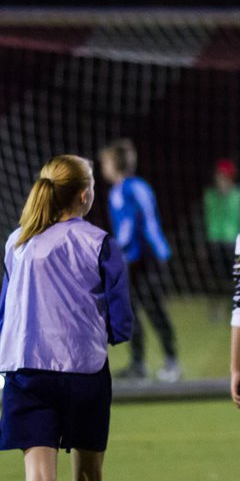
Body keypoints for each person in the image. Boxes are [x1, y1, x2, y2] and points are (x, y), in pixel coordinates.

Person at [0, 154, 133, 481]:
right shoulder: (97, 241)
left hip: (27, 374)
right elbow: (120, 320)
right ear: (84, 194)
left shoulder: (18, 242)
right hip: (82, 373)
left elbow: (5, 316)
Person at [100, 138, 180, 382]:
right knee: (131, 311)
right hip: (142, 258)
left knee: (152, 309)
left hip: (142, 260)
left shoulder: (124, 190)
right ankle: (139, 364)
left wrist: (117, 250)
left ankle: (170, 361)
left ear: (115, 164)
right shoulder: (136, 186)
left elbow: (132, 224)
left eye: (105, 162)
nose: (103, 167)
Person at [204, 157, 240, 316]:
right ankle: (216, 308)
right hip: (214, 241)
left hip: (232, 242)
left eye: (223, 176)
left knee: (235, 277)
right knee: (216, 278)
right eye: (218, 175)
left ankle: (235, 307)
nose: (219, 179)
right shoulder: (210, 195)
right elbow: (206, 219)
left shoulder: (238, 194)